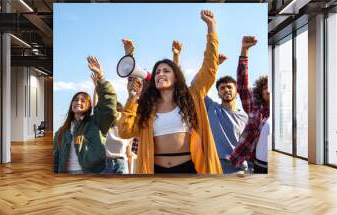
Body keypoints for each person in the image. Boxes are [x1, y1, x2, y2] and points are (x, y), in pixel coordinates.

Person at [118, 10, 222, 174]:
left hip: (189, 169)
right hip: (154, 170)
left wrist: (211, 27)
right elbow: (125, 131)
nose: (160, 74)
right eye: (157, 72)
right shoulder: (147, 106)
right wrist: (132, 98)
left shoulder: (192, 95)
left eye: (166, 71)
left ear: (176, 76)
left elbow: (210, 67)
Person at [172, 40, 249, 175]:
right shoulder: (211, 108)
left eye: (229, 87)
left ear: (236, 91)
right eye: (222, 88)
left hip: (240, 167)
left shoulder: (245, 116)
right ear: (218, 93)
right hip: (215, 165)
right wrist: (214, 65)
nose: (226, 90)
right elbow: (196, 85)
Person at [53, 56, 117, 173]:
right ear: (71, 104)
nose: (78, 102)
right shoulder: (60, 132)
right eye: (76, 99)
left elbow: (109, 106)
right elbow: (56, 159)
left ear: (89, 106)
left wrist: (101, 78)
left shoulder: (96, 123)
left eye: (83, 100)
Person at [228, 36, 270, 174]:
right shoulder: (256, 107)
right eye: (266, 87)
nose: (269, 90)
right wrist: (244, 50)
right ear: (261, 90)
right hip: (256, 164)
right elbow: (242, 83)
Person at [104, 102, 133, 174]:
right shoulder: (105, 129)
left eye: (119, 112)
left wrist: (131, 172)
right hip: (105, 164)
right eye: (114, 112)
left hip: (121, 164)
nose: (116, 115)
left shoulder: (127, 131)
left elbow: (129, 155)